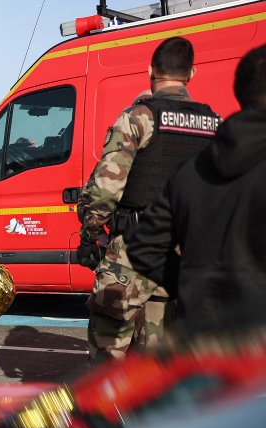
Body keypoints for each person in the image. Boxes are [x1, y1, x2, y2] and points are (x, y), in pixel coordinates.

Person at [77, 37, 220, 363]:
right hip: (185, 261)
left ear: (150, 71)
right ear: (192, 73)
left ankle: (108, 413)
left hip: (134, 258)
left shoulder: (137, 118)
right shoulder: (216, 125)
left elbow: (102, 195)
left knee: (108, 358)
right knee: (160, 363)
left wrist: (88, 235)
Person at [129, 44, 266, 332]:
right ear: (191, 74)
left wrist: (195, 287)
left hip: (200, 338)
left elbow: (144, 243)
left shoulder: (193, 171)